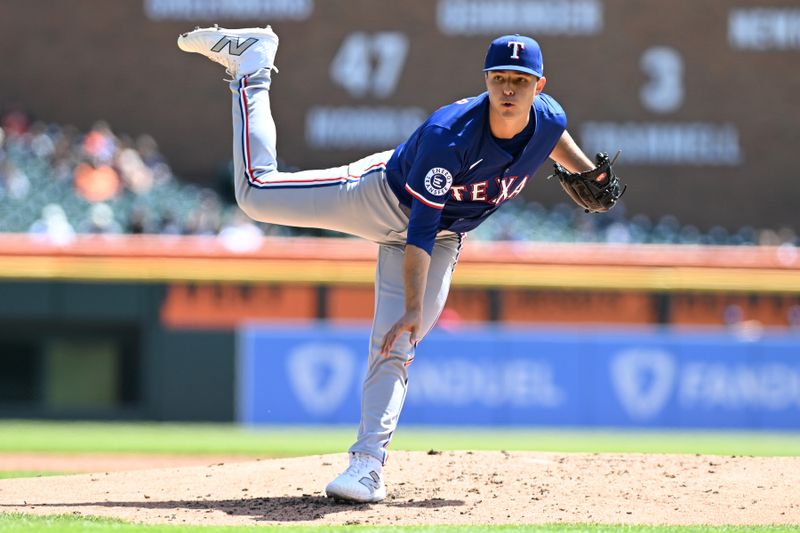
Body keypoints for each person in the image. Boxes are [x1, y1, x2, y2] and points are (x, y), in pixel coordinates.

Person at [178, 25, 614, 503]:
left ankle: (366, 466)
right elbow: (418, 230)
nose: (509, 88)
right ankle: (252, 66)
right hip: (380, 197)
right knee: (256, 194)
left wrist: (585, 171)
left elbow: (552, 137)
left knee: (398, 344)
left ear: (539, 86)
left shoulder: (549, 119)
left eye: (521, 80)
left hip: (446, 235)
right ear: (486, 79)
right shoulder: (450, 137)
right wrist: (412, 305)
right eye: (500, 77)